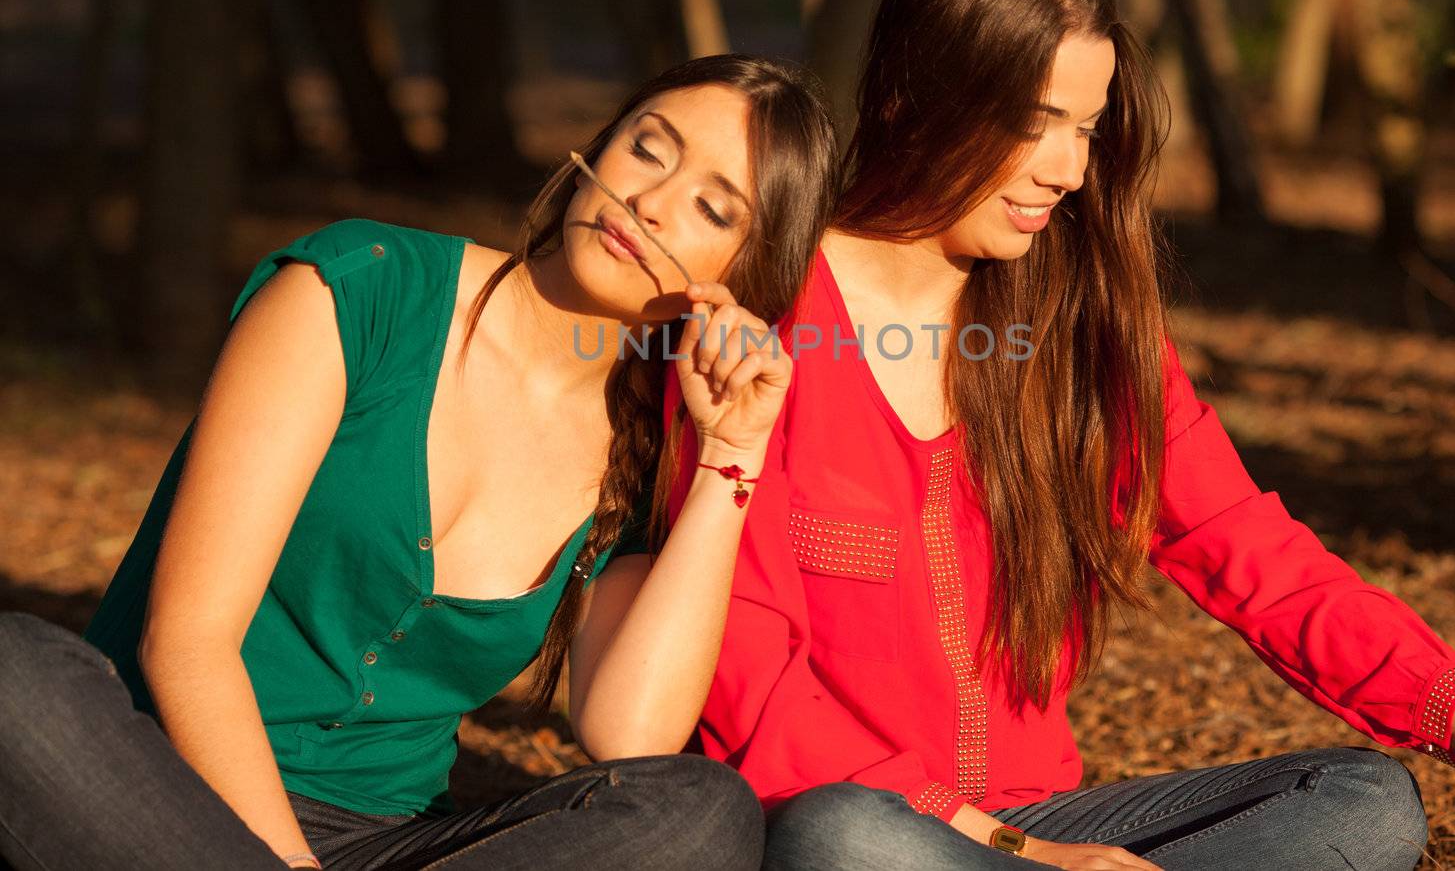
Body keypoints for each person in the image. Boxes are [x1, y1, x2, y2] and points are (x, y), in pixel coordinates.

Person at [657, 0, 1455, 871]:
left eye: (1085, 126)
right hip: (858, 827)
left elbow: (1255, 549)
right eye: (1034, 122)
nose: (1068, 170)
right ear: (915, 97)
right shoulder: (764, 325)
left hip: (1050, 829)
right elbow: (756, 691)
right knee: (846, 835)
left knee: (1364, 803)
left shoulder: (1085, 331)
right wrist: (1015, 848)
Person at [0, 52, 837, 871]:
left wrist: (733, 450)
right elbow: (184, 638)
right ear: (599, 146)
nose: (650, 201)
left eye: (713, 208)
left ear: (745, 278)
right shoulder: (360, 291)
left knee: (701, 812)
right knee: (15, 677)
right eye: (648, 146)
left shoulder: (644, 451)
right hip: (153, 789)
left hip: (386, 841)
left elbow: (632, 733)